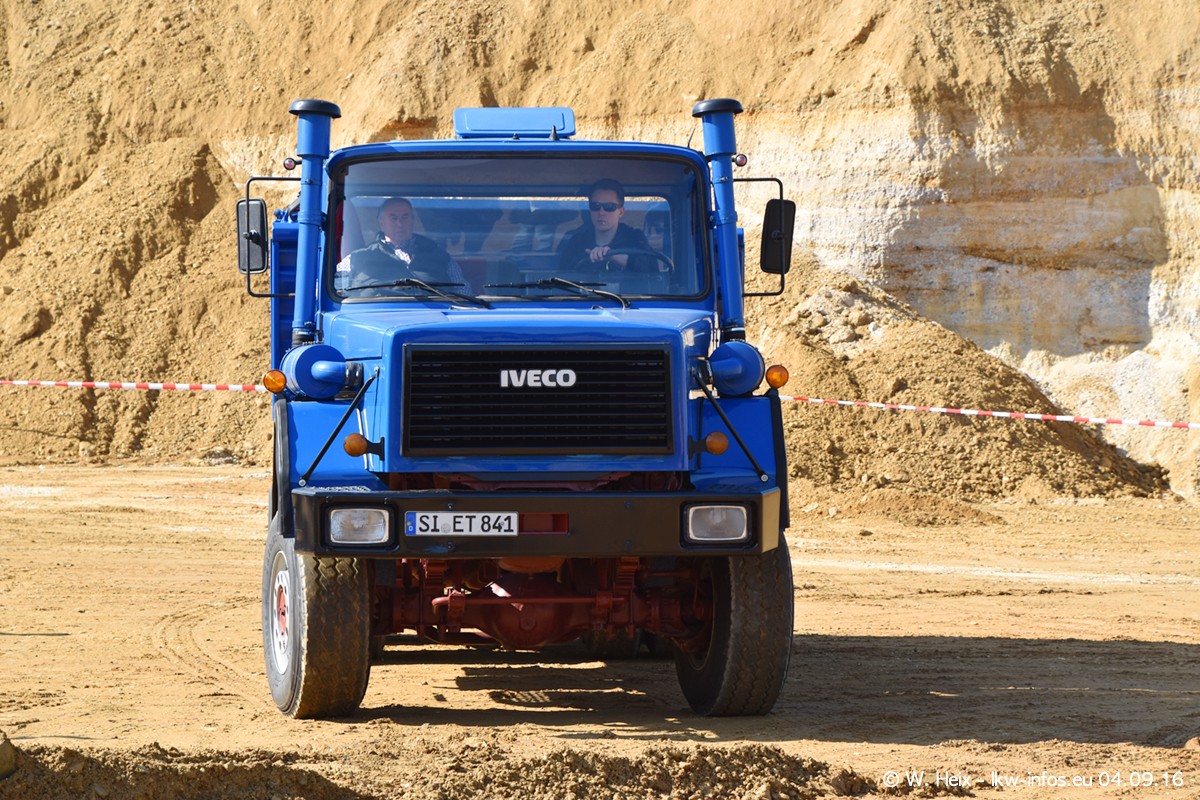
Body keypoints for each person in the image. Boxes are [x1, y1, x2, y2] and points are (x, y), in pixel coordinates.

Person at [336, 197, 472, 295]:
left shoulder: (440, 257)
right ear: (381, 223)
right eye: (393, 218)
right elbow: (336, 293)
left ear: (413, 220)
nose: (399, 224)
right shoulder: (357, 258)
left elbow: (465, 293)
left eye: (405, 217)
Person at [555, 179, 657, 274]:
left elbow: (652, 272)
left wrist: (612, 256)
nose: (601, 213)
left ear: (621, 212)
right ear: (590, 210)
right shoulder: (576, 241)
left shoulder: (635, 238)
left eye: (609, 207)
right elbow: (563, 276)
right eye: (595, 206)